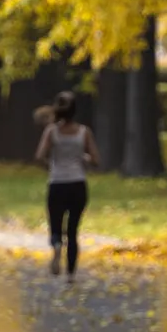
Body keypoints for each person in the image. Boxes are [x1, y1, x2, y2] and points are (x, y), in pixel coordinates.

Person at [35, 91, 100, 282]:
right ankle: (70, 274)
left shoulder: (51, 131)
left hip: (57, 182)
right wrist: (83, 158)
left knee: (55, 224)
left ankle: (56, 245)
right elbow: (96, 159)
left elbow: (39, 156)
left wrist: (51, 165)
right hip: (78, 183)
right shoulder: (84, 132)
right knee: (73, 231)